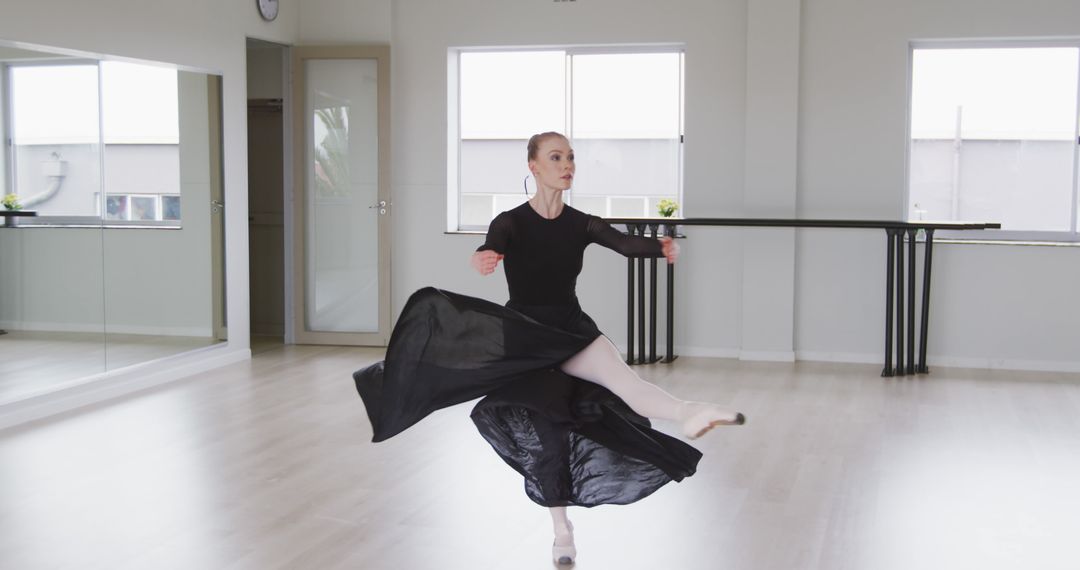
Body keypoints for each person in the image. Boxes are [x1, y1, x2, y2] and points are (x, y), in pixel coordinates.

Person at [354, 132, 744, 566]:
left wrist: (661, 246)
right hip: (525, 338)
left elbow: (624, 244)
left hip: (571, 330)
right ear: (534, 167)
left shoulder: (582, 223)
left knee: (627, 385)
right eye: (556, 157)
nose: (567, 165)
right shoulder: (511, 221)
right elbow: (491, 246)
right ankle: (562, 530)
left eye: (571, 157)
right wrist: (482, 258)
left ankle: (690, 411)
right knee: (548, 433)